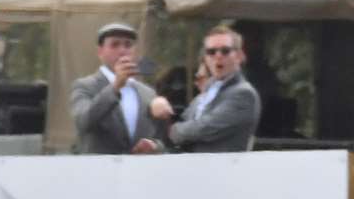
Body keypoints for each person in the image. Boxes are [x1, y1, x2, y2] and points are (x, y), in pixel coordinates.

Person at [155, 25, 261, 152]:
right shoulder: (207, 92)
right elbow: (184, 122)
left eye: (225, 51)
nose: (218, 56)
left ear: (239, 56)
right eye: (211, 52)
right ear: (205, 58)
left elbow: (204, 129)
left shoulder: (243, 93)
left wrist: (173, 131)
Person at [70, 22, 163, 155]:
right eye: (115, 45)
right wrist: (115, 87)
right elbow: (83, 121)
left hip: (139, 166)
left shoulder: (147, 93)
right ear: (100, 52)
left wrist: (154, 146)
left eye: (128, 45)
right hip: (99, 166)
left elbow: (161, 138)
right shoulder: (85, 86)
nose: (122, 51)